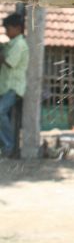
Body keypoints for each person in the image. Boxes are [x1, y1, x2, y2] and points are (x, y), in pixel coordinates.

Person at [0, 13, 29, 157]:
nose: (6, 32)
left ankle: (9, 146)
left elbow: (9, 63)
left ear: (17, 28)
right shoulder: (11, 43)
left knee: (0, 113)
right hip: (5, 87)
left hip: (14, 88)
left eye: (8, 28)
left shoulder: (19, 44)